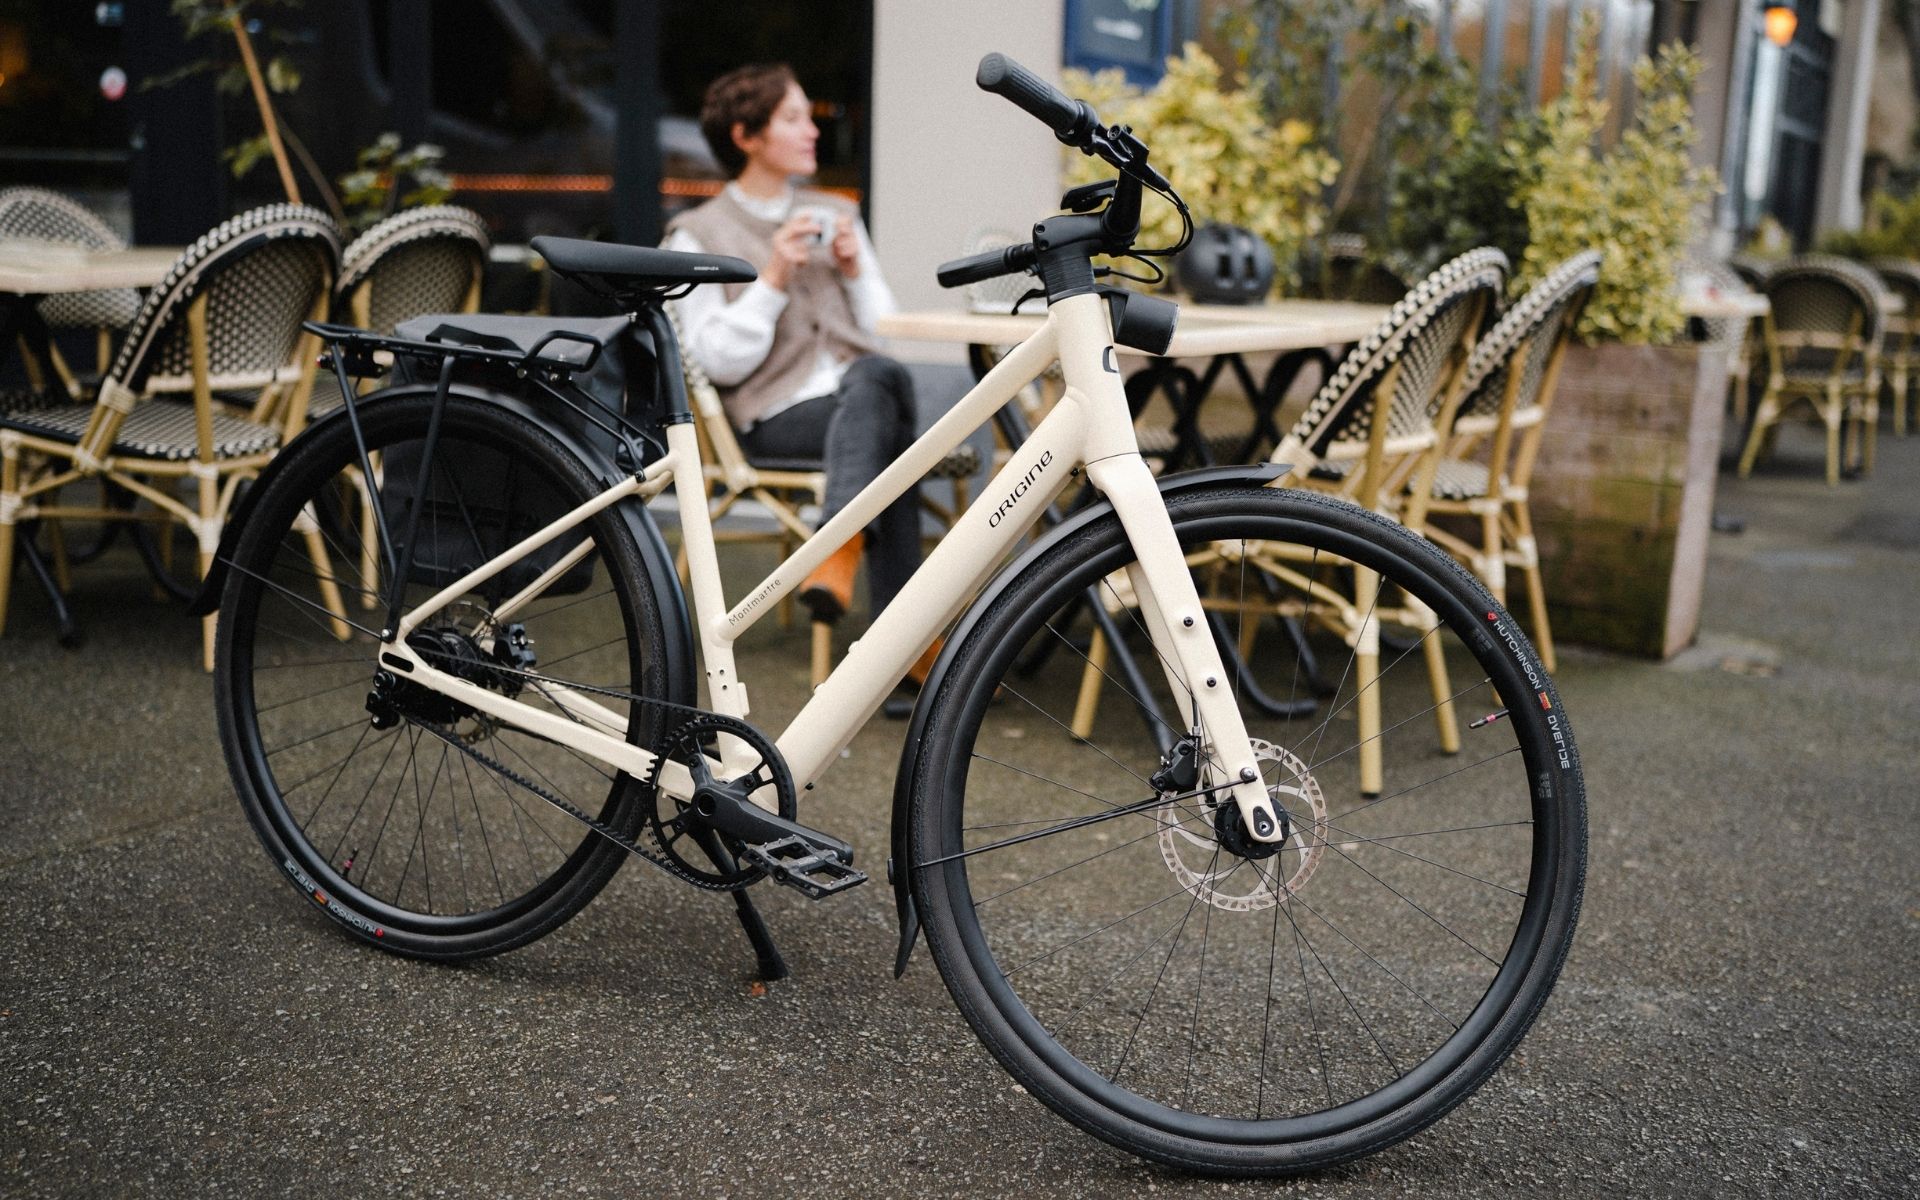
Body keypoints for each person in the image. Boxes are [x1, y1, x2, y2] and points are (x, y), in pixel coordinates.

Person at [664, 63, 922, 643]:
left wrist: (854, 271)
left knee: (879, 386)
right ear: (745, 136)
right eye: (793, 118)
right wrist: (774, 278)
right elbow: (715, 361)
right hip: (775, 417)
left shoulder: (837, 214)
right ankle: (910, 642)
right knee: (892, 422)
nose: (813, 130)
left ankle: (839, 551)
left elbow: (883, 332)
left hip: (860, 400)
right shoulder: (697, 235)